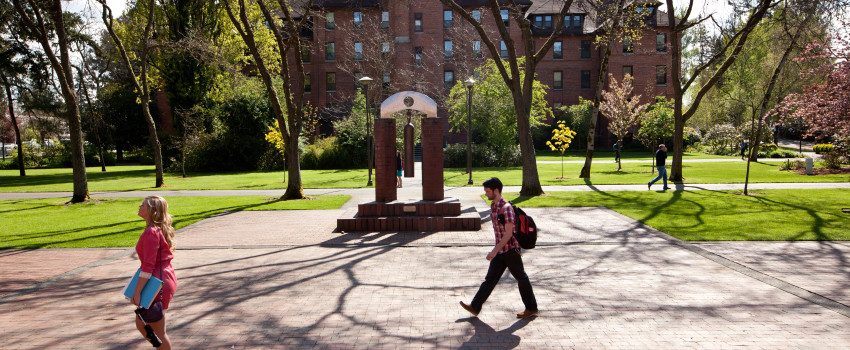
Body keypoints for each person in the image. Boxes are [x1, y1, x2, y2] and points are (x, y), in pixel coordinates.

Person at [460, 177, 538, 319]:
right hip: (501, 250)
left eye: (488, 191)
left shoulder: (506, 209)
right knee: (490, 279)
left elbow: (509, 233)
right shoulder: (494, 206)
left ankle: (531, 308)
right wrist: (497, 250)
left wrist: (494, 250)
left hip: (510, 250)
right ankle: (475, 306)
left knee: (521, 278)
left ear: (496, 190)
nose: (486, 194)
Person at [131, 196, 177, 350]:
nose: (139, 206)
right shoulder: (153, 230)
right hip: (160, 278)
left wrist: (137, 292)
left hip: (158, 282)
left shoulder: (151, 232)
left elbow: (148, 265)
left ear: (151, 210)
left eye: (143, 205)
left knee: (157, 331)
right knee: (143, 323)